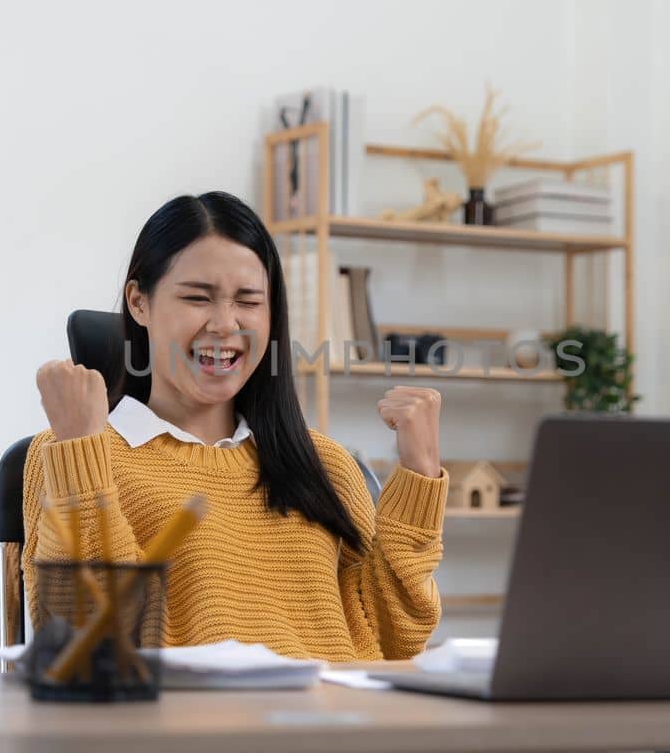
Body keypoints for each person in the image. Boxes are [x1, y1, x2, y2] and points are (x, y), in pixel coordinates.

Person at [24, 190, 449, 661]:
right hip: (193, 731)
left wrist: (420, 476)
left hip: (336, 725)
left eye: (248, 301)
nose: (225, 324)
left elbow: (393, 643)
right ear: (139, 302)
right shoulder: (73, 454)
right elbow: (91, 645)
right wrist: (80, 452)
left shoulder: (323, 463)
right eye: (197, 298)